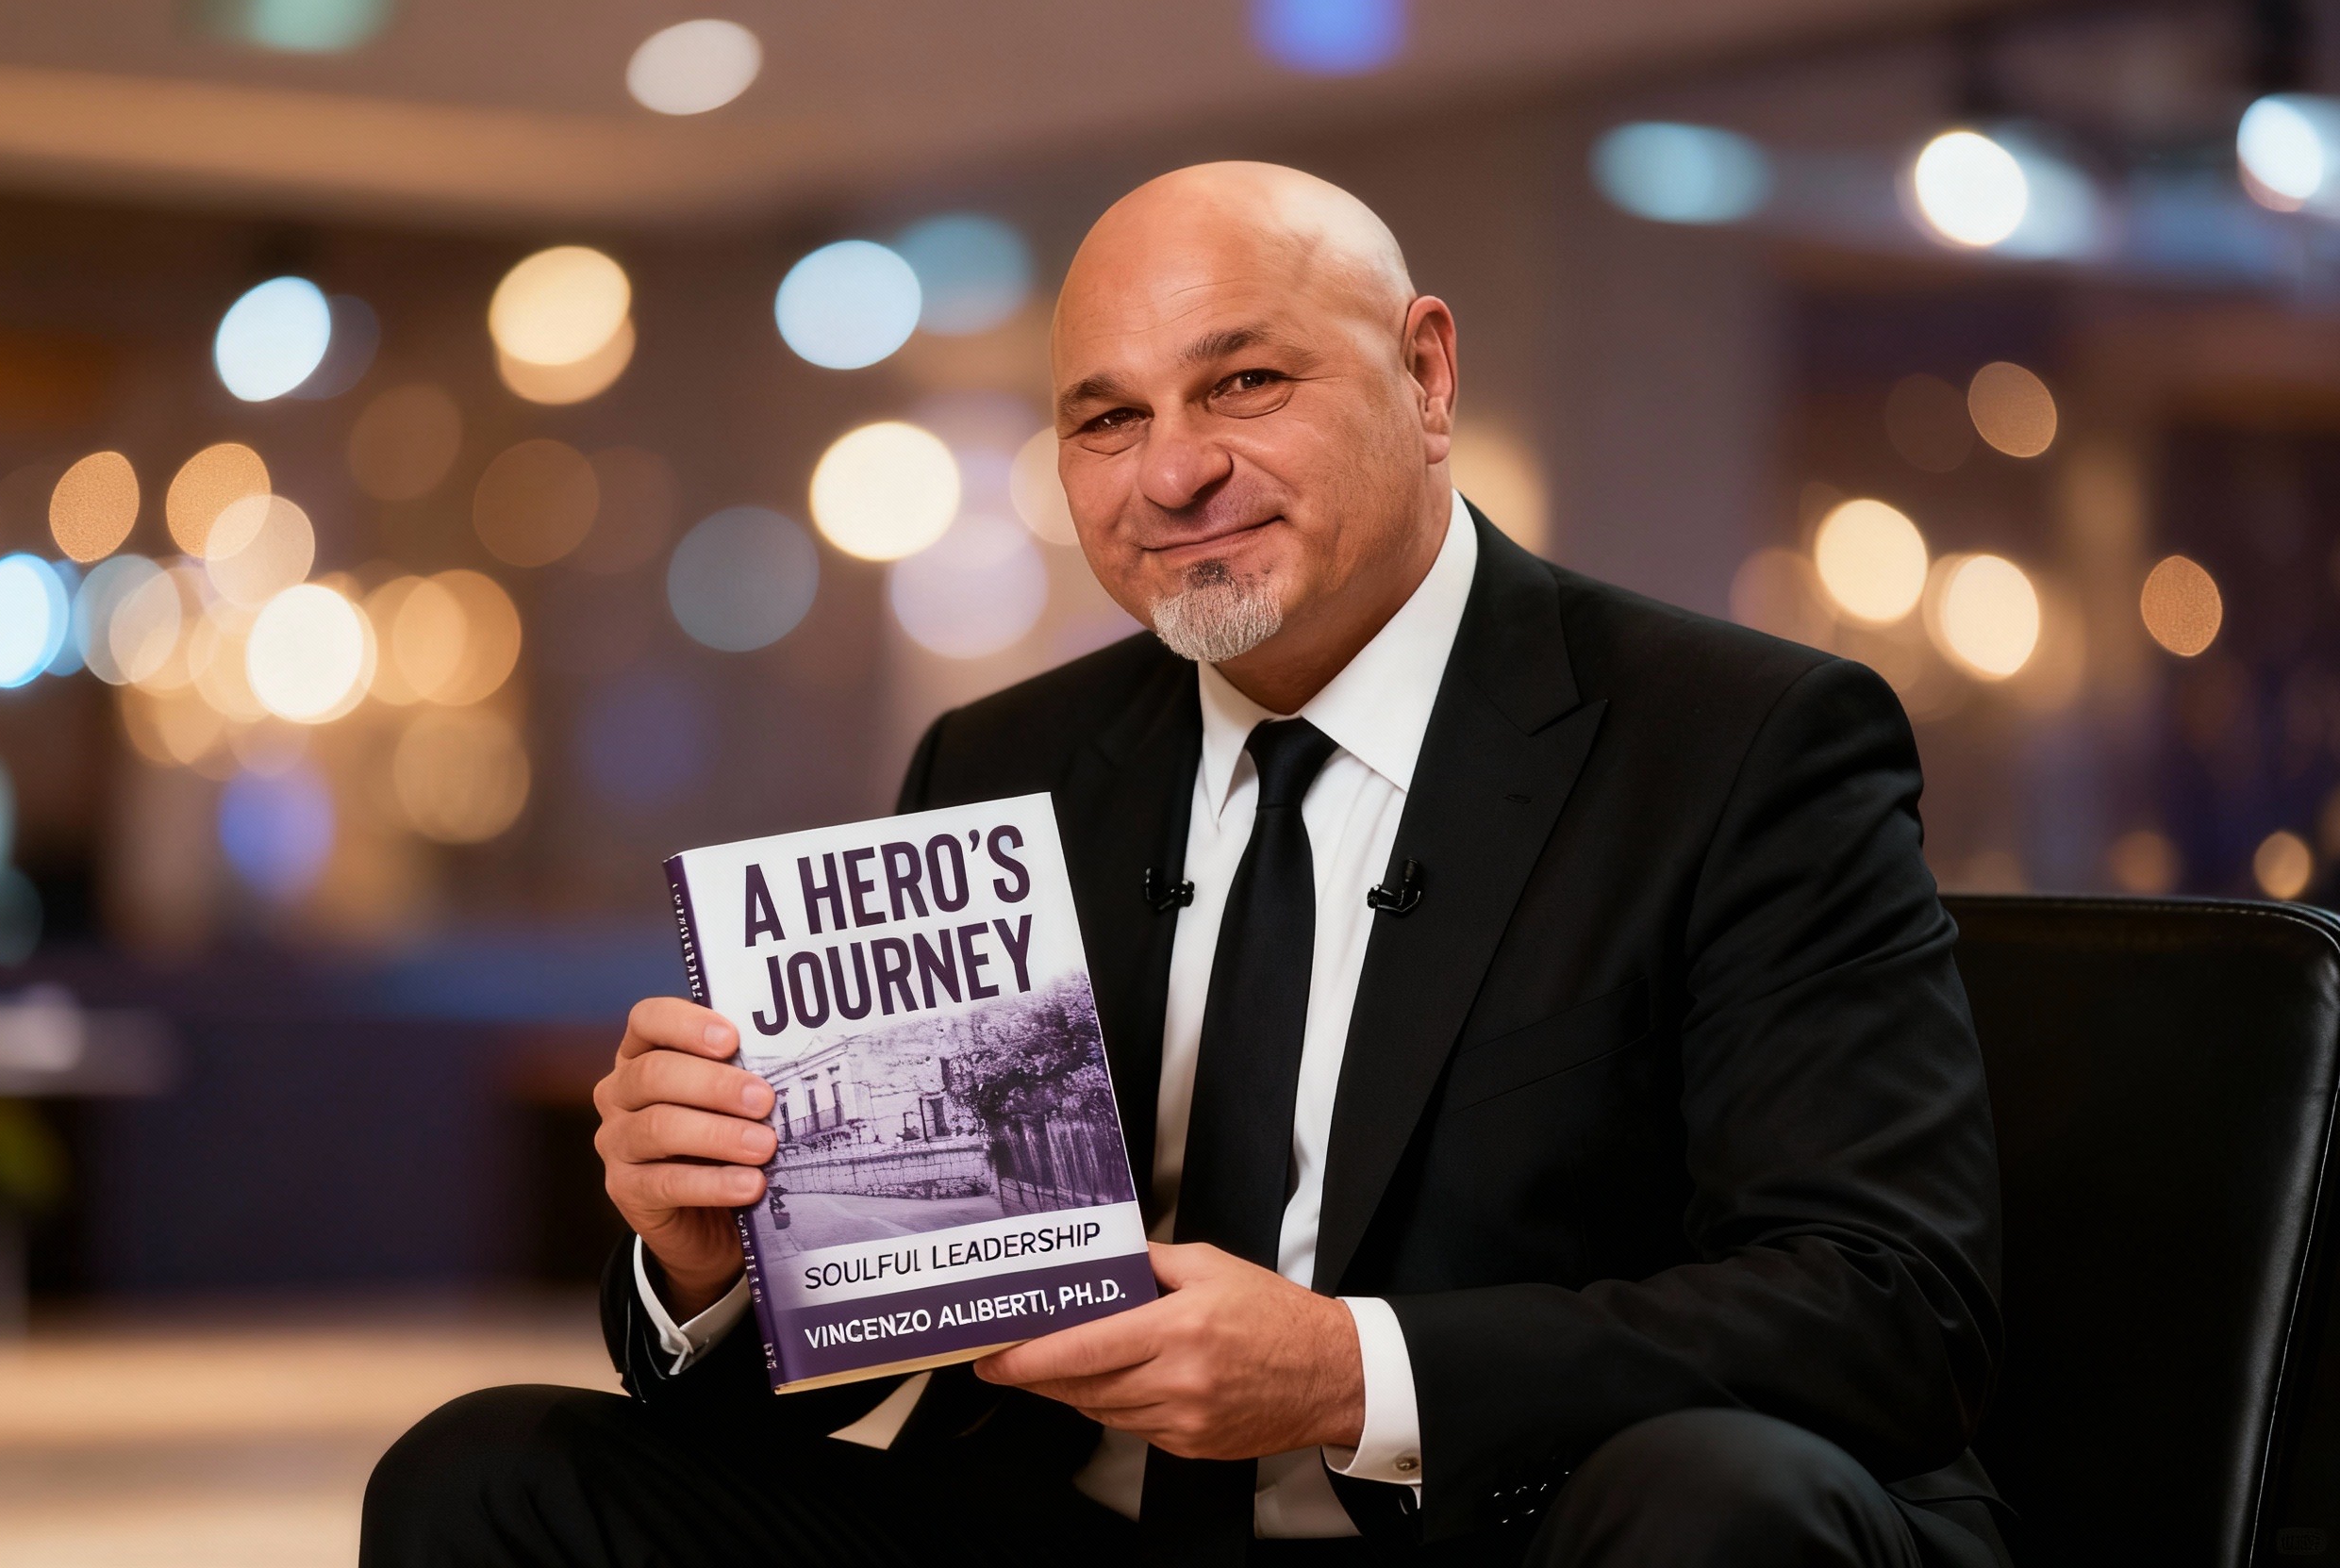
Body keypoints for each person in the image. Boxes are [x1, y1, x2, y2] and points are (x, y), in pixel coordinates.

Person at [363, 162, 2008, 1568]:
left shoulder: (1737, 741)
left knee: (1723, 1498)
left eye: (1244, 385)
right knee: (489, 1473)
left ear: (1427, 374)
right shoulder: (1001, 760)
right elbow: (856, 1350)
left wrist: (1346, 1372)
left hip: (1503, 1527)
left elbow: (1883, 1305)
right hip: (1058, 1520)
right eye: (1108, 418)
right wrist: (717, 1259)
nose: (1172, 472)